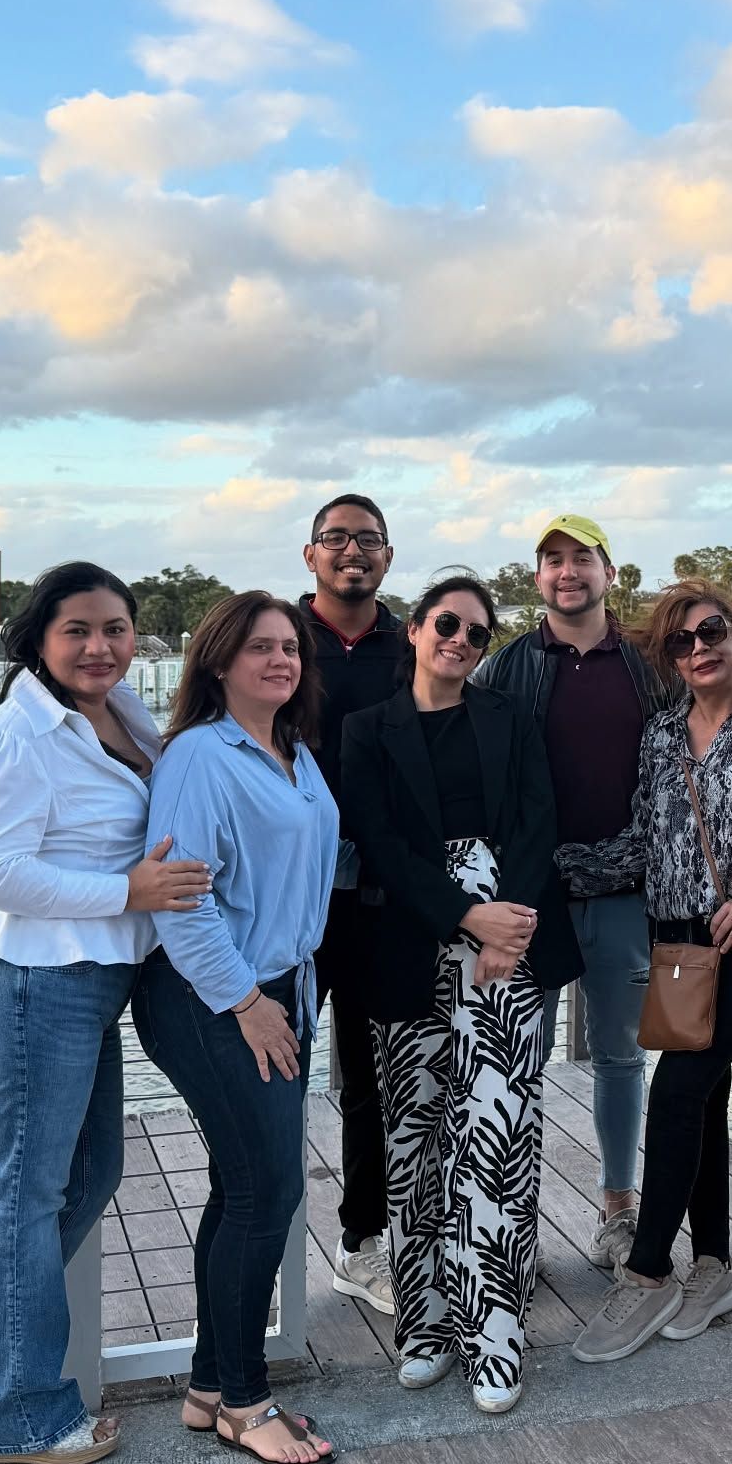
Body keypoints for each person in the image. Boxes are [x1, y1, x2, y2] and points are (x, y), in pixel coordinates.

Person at [0, 563, 209, 1464]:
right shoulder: (16, 734)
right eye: (78, 631)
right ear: (39, 639)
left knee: (89, 1174)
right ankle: (21, 1416)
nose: (101, 646)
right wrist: (125, 888)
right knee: (24, 1199)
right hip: (27, 981)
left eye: (116, 628)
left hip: (88, 983)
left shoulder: (119, 716)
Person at [340, 576, 580, 1414]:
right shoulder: (365, 730)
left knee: (496, 1136)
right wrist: (463, 914)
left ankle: (496, 1335)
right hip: (408, 941)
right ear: (414, 629)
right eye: (447, 623)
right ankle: (427, 1327)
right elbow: (380, 841)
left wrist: (504, 926)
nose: (460, 640)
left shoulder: (509, 720)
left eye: (477, 634)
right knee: (413, 1141)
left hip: (506, 947)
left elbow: (538, 821)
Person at [559, 581, 732, 1362]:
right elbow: (644, 840)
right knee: (705, 1092)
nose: (699, 648)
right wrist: (554, 869)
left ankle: (650, 1267)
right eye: (682, 641)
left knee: (681, 1085)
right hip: (678, 941)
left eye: (712, 631)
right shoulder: (662, 734)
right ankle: (717, 1266)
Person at [135, 592, 339, 1464]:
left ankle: (209, 1384)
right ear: (218, 661)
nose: (279, 660)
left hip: (284, 988)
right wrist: (247, 1002)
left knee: (242, 1187)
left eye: (289, 647)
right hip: (213, 996)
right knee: (269, 1194)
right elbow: (183, 901)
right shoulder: (197, 755)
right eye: (259, 647)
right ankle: (247, 1402)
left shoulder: (292, 752)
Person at [474, 514, 675, 1270]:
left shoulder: (650, 664)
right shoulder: (506, 667)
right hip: (533, 898)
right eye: (553, 560)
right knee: (516, 1055)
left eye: (582, 558)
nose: (568, 571)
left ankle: (618, 1207)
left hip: (627, 893)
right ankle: (512, 1217)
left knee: (621, 1056)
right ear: (537, 578)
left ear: (609, 572)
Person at [300, 493, 401, 1316]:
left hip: (379, 897)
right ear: (311, 556)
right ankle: (259, 1249)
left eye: (367, 540)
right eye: (337, 539)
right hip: (291, 899)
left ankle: (362, 1239)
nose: (352, 552)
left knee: (373, 1079)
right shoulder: (277, 642)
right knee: (272, 1073)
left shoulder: (413, 646)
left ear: (387, 556)